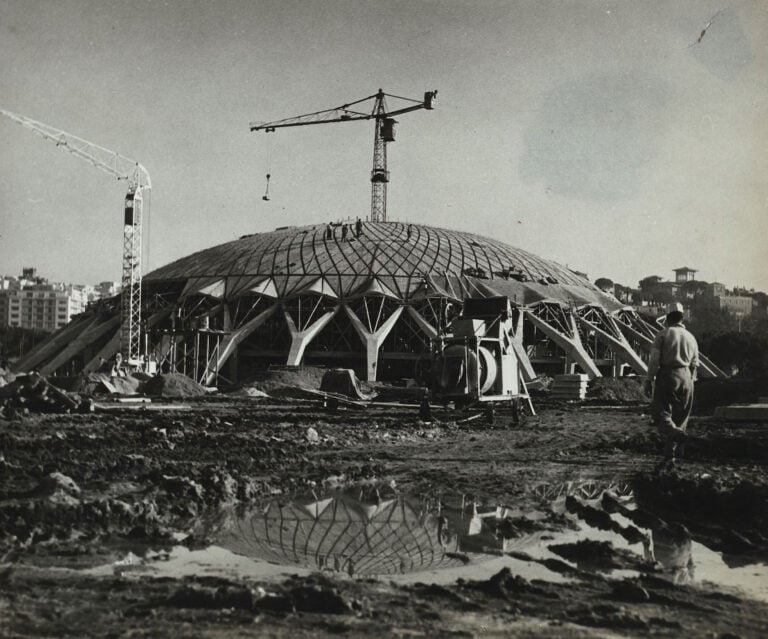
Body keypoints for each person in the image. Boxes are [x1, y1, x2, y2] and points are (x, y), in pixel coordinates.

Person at [644, 302, 699, 465]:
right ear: (682, 318)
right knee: (681, 416)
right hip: (687, 376)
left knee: (660, 413)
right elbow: (696, 362)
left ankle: (675, 434)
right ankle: (672, 454)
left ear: (667, 317)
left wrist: (649, 379)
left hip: (669, 374)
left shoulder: (662, 334)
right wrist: (691, 380)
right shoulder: (691, 337)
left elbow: (654, 361)